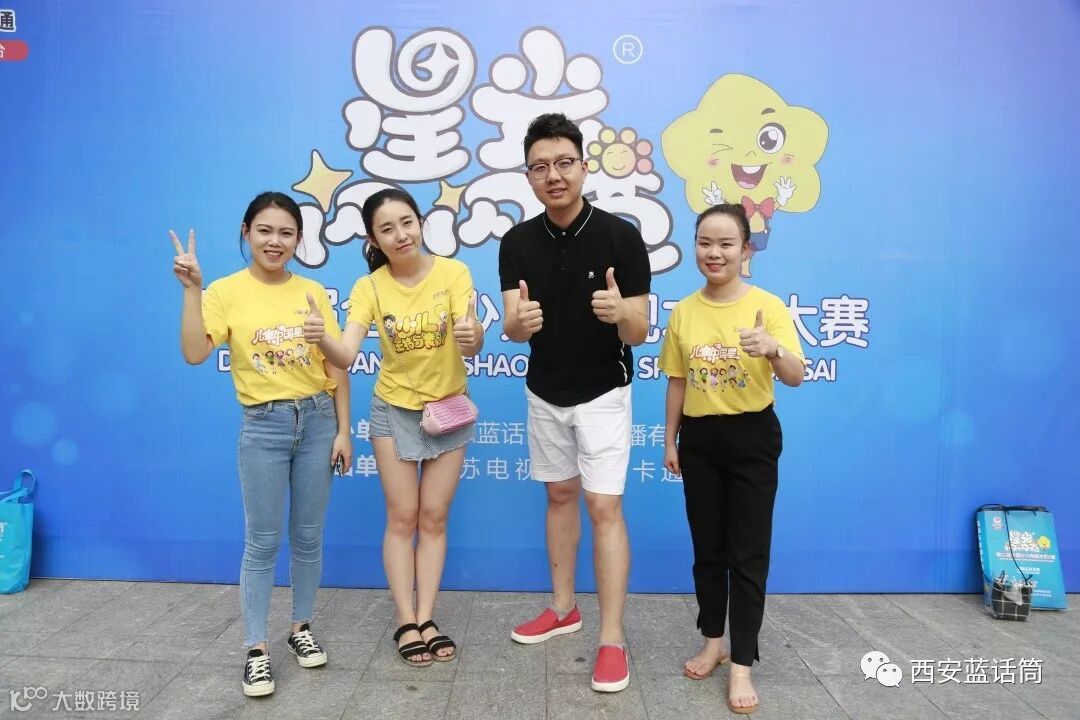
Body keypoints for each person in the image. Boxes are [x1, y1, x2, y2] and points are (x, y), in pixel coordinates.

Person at [172, 191, 352, 697]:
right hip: (264, 426)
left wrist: (344, 429)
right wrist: (193, 290)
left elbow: (337, 366)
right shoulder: (224, 292)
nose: (276, 241)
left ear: (298, 239)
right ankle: (256, 649)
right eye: (265, 231)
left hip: (318, 422)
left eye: (287, 233)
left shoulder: (312, 291)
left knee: (309, 536)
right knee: (262, 541)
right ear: (246, 232)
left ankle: (301, 628)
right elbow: (194, 353)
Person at [499, 113, 651, 693]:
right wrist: (518, 325)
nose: (554, 176)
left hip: (604, 392)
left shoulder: (621, 237)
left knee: (603, 507)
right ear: (529, 176)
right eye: (540, 167)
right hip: (544, 391)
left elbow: (639, 331)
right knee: (559, 496)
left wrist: (622, 313)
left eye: (564, 163)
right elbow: (512, 325)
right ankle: (563, 608)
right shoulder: (516, 242)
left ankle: (612, 638)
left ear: (584, 167)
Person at [308, 188, 483, 667]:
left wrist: (473, 336)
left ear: (420, 222)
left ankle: (427, 617)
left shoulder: (453, 273)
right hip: (393, 411)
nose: (400, 234)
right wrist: (320, 338)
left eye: (407, 222)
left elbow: (470, 341)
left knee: (434, 517)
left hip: (449, 408)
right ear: (373, 239)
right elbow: (345, 354)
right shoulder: (370, 288)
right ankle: (406, 620)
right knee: (403, 517)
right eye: (387, 229)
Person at [658, 203, 805, 714]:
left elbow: (796, 376)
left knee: (748, 553)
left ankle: (742, 661)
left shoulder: (767, 306)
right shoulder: (684, 311)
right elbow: (678, 381)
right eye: (705, 243)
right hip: (699, 439)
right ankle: (713, 641)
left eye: (726, 244)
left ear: (746, 250)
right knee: (708, 550)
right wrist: (670, 440)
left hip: (752, 437)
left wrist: (772, 348)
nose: (714, 253)